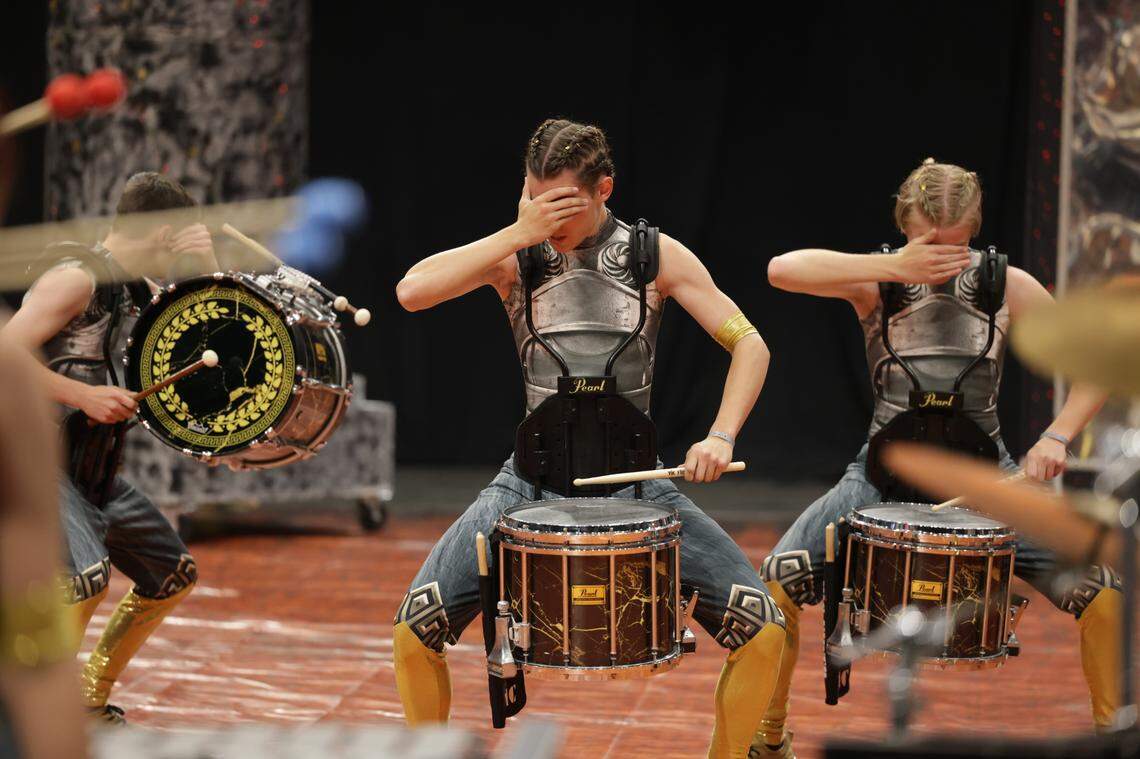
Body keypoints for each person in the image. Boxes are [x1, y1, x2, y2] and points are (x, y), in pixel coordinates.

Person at [394, 118, 784, 758]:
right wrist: (517, 231)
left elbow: (750, 345)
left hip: (637, 483)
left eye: (563, 204)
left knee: (764, 634)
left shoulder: (655, 256)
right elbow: (411, 293)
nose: (548, 219)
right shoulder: (517, 253)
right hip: (528, 481)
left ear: (605, 189)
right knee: (412, 635)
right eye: (535, 198)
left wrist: (720, 435)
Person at [754, 158, 1118, 757]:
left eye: (955, 245)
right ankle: (768, 739)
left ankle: (1113, 743)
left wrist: (1057, 437)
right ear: (906, 224)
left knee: (1105, 592)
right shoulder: (876, 281)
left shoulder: (1004, 284)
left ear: (974, 229)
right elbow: (781, 270)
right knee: (775, 586)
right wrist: (895, 265)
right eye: (929, 243)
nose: (941, 259)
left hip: (986, 475)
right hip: (880, 474)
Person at [1, 171, 217, 724]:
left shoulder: (134, 289)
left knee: (172, 574)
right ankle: (32, 717)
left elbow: (211, 332)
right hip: (40, 464)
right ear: (165, 232)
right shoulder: (76, 279)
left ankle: (88, 698)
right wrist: (82, 395)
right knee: (83, 578)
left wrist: (207, 262)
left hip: (90, 470)